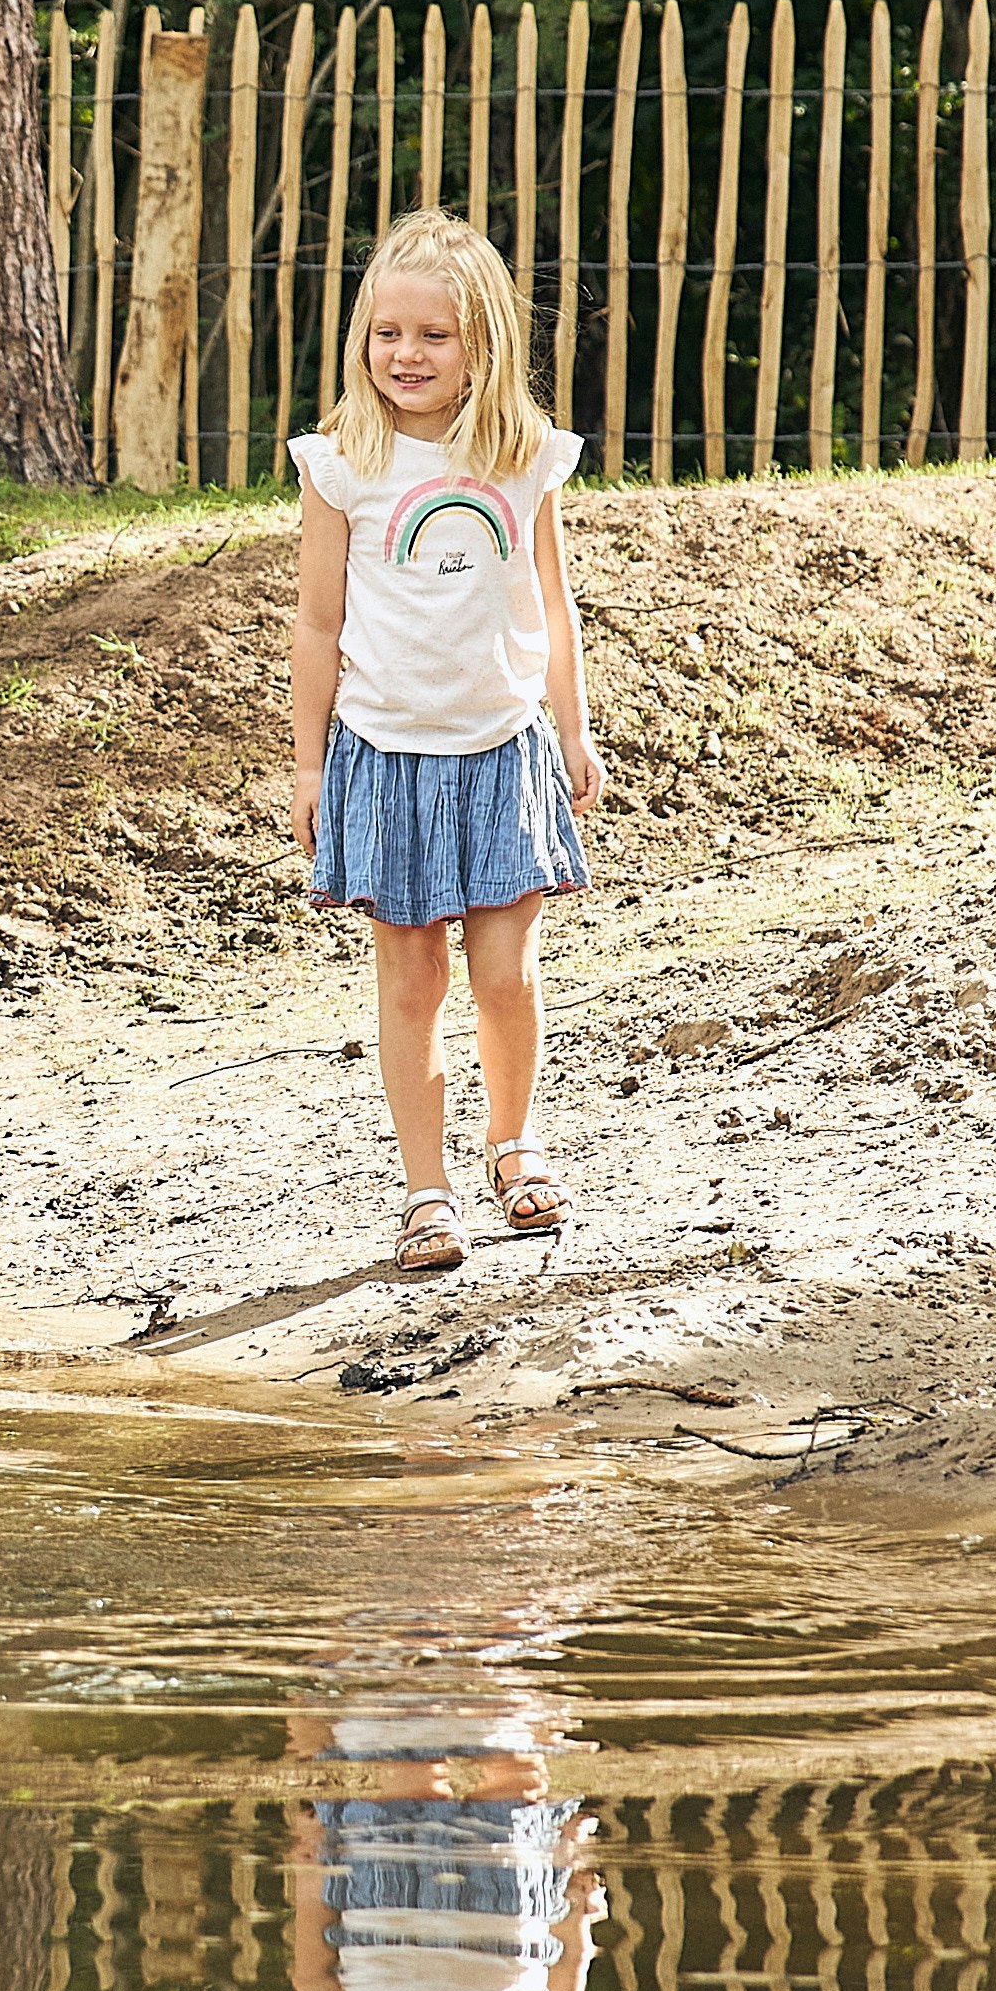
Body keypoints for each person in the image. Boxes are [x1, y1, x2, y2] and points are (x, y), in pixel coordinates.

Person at [285, 210, 601, 1275]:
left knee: (504, 972)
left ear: (483, 345)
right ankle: (428, 1191)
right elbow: (317, 623)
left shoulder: (521, 459)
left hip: (502, 749)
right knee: (413, 977)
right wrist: (308, 763)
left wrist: (573, 728)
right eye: (388, 333)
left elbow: (551, 603)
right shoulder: (343, 465)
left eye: (433, 336)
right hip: (384, 755)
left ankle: (515, 1144)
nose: (406, 355)